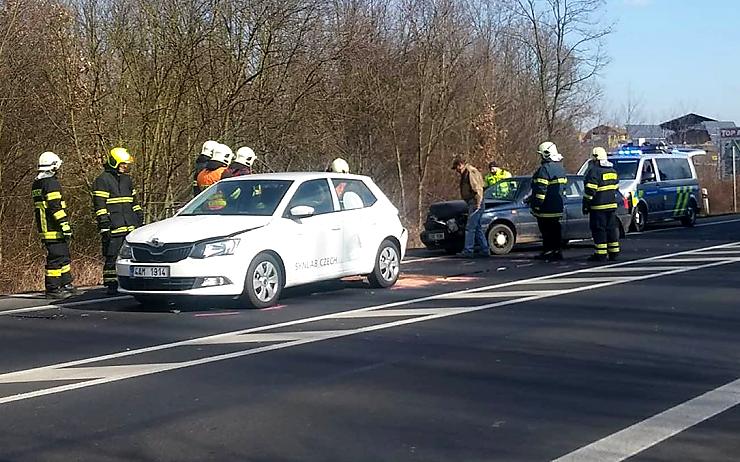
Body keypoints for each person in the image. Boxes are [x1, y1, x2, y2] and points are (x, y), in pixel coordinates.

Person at [92, 147, 144, 295]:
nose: (125, 167)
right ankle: (111, 284)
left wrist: (139, 215)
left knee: (132, 256)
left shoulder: (127, 180)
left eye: (126, 164)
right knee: (112, 255)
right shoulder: (102, 180)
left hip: (130, 225)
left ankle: (131, 281)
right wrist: (104, 224)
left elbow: (133, 201)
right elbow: (99, 205)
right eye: (123, 164)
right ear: (114, 162)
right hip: (113, 225)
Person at [32, 151, 76, 299]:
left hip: (46, 227)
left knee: (63, 256)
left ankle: (65, 283)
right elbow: (55, 207)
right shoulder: (51, 183)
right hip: (53, 228)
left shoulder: (37, 183)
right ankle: (53, 288)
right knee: (56, 258)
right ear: (53, 166)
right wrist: (64, 225)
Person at [530, 141, 567, 261]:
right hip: (558, 207)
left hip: (546, 208)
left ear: (546, 154)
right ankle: (557, 252)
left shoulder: (544, 169)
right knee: (556, 230)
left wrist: (536, 205)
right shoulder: (561, 169)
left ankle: (548, 252)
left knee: (546, 231)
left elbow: (541, 190)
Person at [583, 147, 620, 262]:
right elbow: (616, 188)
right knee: (611, 229)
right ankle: (614, 252)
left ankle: (601, 254)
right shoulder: (613, 171)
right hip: (611, 206)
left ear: (595, 159)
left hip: (598, 207)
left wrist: (586, 204)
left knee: (599, 230)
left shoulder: (594, 172)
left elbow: (590, 191)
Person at [452, 157, 489, 258]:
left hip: (475, 202)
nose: (456, 171)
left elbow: (477, 188)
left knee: (470, 228)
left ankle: (468, 250)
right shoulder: (466, 173)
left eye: (456, 168)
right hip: (473, 202)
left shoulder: (470, 172)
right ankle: (485, 249)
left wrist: (478, 203)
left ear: (460, 165)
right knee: (477, 227)